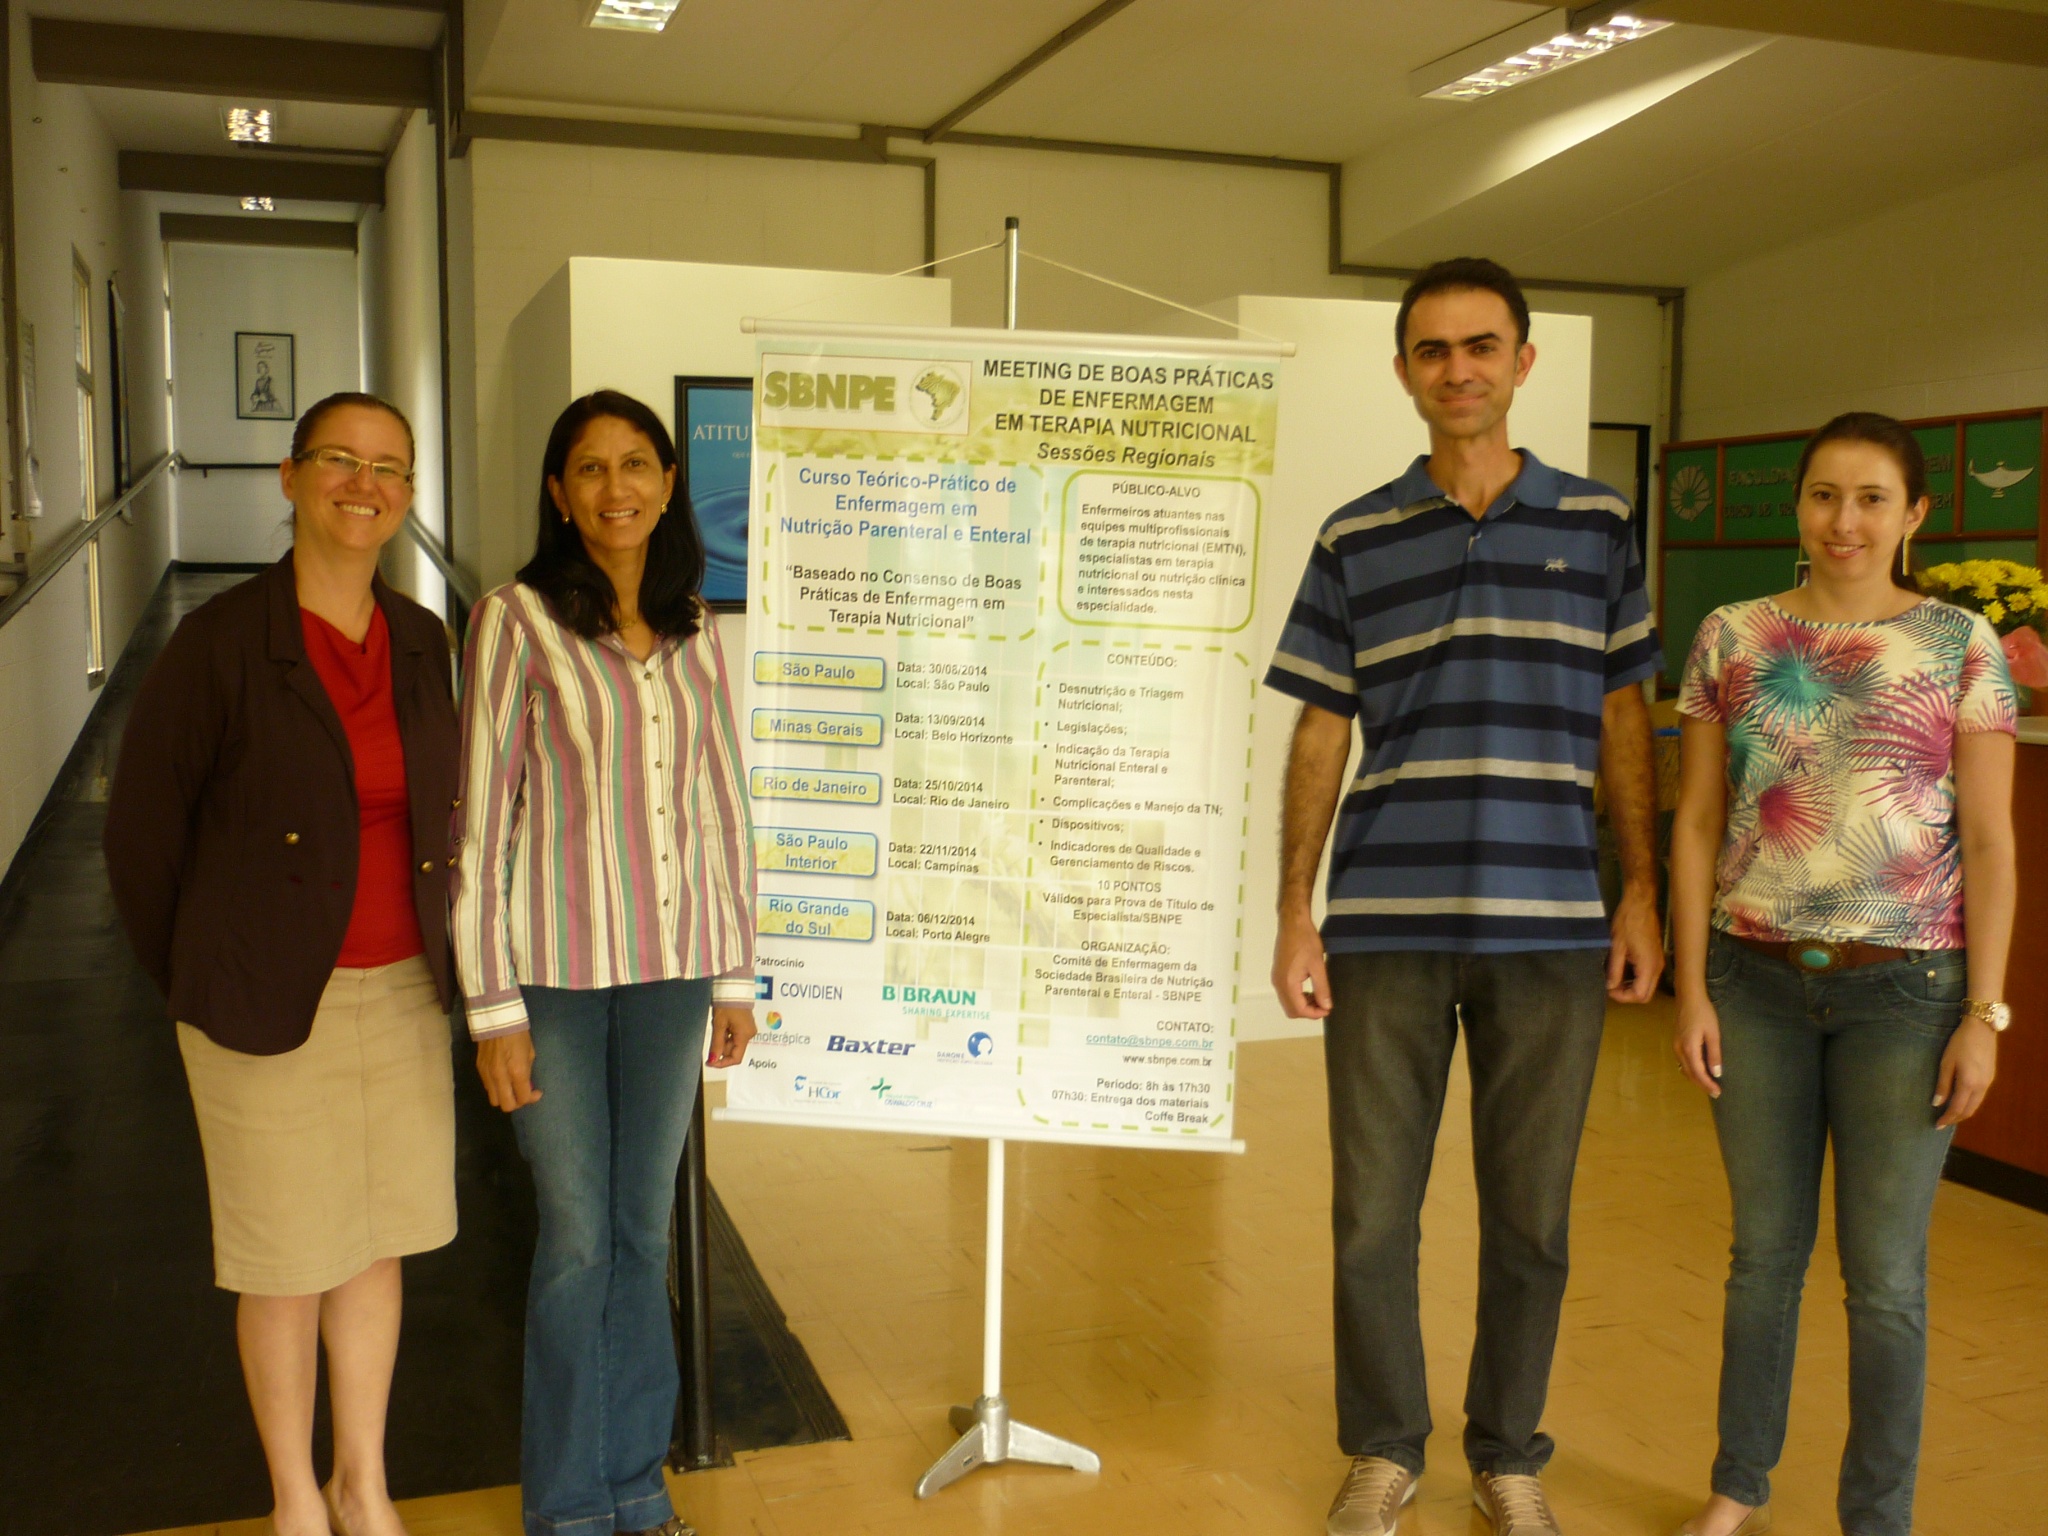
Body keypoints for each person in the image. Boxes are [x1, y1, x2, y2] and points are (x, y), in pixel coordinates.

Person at [1265, 257, 1664, 1536]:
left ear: (1521, 363)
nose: (1457, 369)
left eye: (1479, 346)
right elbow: (1320, 728)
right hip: (1382, 924)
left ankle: (1505, 1454)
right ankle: (1384, 1448)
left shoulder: (1597, 524)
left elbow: (1622, 718)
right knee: (1371, 1217)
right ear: (1402, 372)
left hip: (1550, 926)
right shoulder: (1353, 534)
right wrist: (1290, 910)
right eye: (1431, 350)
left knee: (1530, 1220)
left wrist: (1641, 891)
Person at [105, 392, 460, 1536]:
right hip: (262, 1002)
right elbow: (142, 834)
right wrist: (203, 976)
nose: (366, 485)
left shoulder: (420, 638)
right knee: (287, 1258)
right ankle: (294, 1496)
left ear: (407, 494)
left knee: (375, 1244)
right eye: (340, 461)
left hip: (402, 991)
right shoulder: (222, 642)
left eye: (389, 469)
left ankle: (364, 1483)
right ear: (290, 477)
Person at [1669, 412, 2016, 1536]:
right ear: (1799, 508)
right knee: (1758, 1258)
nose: (1843, 520)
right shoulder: (1731, 633)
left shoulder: (1961, 644)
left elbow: (1995, 843)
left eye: (1870, 498)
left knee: (1884, 1281)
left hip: (1907, 995)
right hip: (1753, 981)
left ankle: (1875, 1518)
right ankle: (1735, 1488)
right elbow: (1692, 824)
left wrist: (1984, 1015)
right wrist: (1689, 989)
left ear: (1912, 515)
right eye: (1823, 495)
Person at [450, 390, 757, 1536]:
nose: (615, 488)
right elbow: (479, 827)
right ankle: (571, 1507)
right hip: (556, 982)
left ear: (669, 485)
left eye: (636, 465)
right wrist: (494, 1011)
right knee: (577, 1242)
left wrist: (733, 977)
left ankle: (638, 1481)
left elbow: (722, 810)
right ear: (557, 492)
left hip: (674, 976)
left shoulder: (692, 629)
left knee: (643, 1234)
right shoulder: (514, 621)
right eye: (589, 468)